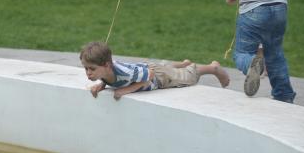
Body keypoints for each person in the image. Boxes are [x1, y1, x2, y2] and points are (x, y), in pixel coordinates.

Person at [80, 42, 230, 100]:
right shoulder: (106, 71)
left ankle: (212, 67)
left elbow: (149, 76)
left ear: (106, 65)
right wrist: (101, 85)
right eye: (86, 68)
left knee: (186, 77)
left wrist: (125, 90)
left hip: (156, 76)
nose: (88, 73)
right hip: (148, 68)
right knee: (164, 67)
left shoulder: (124, 73)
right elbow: (108, 77)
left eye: (92, 69)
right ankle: (183, 63)